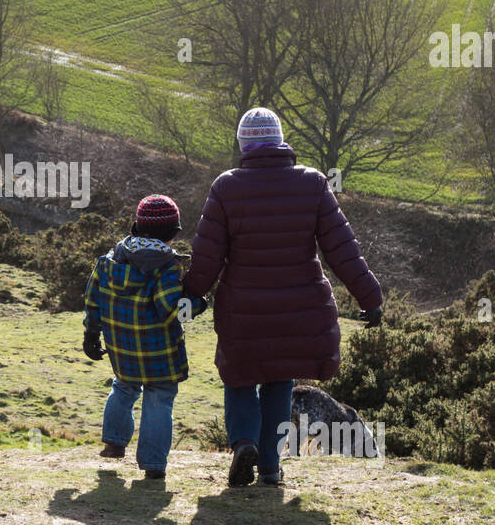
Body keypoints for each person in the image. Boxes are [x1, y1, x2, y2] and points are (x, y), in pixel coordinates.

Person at [182, 108, 383, 488]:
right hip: (298, 312)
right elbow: (342, 249)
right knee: (279, 382)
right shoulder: (312, 184)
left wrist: (190, 296)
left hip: (243, 313)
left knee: (239, 377)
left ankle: (243, 444)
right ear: (280, 141)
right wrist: (369, 296)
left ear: (243, 145)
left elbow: (207, 257)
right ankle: (271, 468)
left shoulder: (226, 187)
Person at [83, 194, 206, 481]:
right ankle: (153, 465)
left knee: (123, 388)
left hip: (122, 348)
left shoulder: (110, 260)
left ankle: (114, 442)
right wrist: (199, 303)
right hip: (159, 352)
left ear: (136, 227)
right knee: (159, 401)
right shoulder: (164, 266)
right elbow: (170, 308)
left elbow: (93, 300)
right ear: (174, 233)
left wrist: (91, 333)